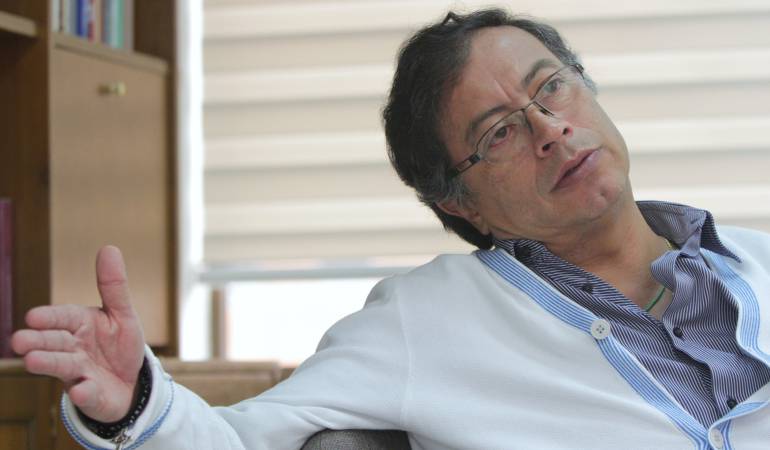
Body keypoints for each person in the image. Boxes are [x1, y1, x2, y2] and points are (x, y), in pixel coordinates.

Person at [11, 8, 770, 450]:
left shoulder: (757, 260)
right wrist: (139, 400)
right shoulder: (430, 317)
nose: (549, 129)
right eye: (499, 132)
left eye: (552, 87)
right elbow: (241, 441)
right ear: (460, 205)